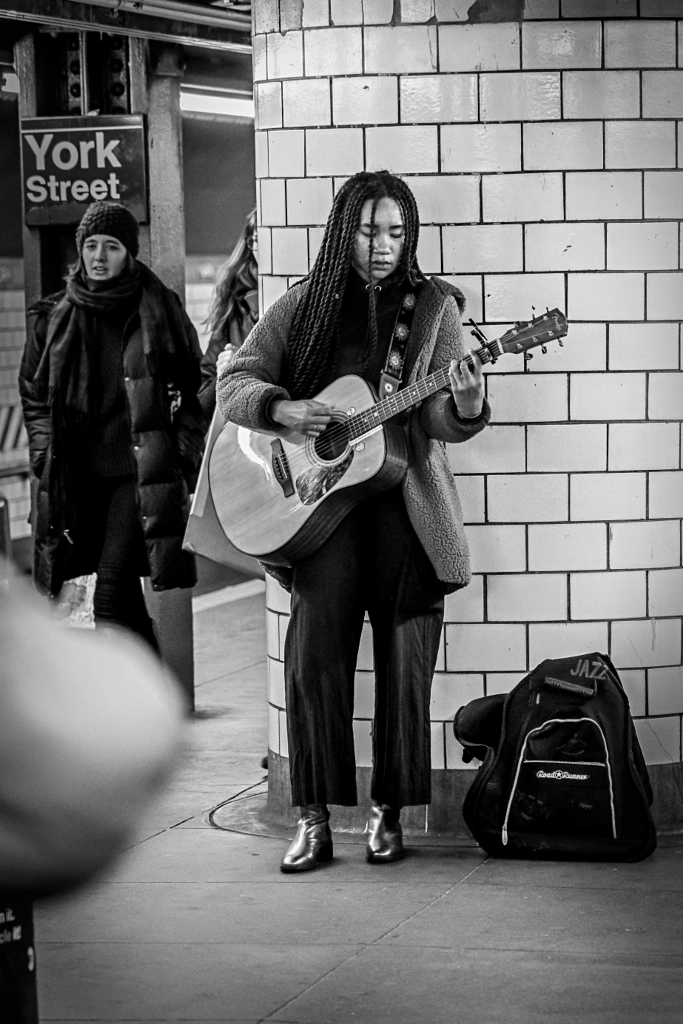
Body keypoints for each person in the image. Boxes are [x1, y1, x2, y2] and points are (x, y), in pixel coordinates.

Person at [216, 171, 491, 872]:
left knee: (405, 669)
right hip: (318, 514)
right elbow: (236, 381)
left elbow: (434, 420)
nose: (382, 245)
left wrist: (462, 404)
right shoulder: (302, 305)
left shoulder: (432, 309)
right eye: (369, 229)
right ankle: (311, 816)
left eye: (396, 232)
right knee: (312, 663)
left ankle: (388, 814)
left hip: (405, 511)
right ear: (344, 229)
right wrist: (282, 409)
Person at [19, 200, 204, 650]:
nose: (99, 257)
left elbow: (197, 389)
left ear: (130, 252)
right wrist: (44, 452)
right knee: (123, 604)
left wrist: (179, 451)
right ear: (80, 250)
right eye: (91, 246)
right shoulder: (53, 316)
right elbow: (34, 393)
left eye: (112, 246)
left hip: (134, 476)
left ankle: (137, 714)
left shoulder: (158, 308)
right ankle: (157, 707)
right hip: (78, 477)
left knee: (110, 596)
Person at [198, 207, 258, 418]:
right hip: (242, 436)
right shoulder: (234, 307)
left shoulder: (310, 301)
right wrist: (227, 373)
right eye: (260, 239)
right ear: (251, 245)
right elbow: (203, 402)